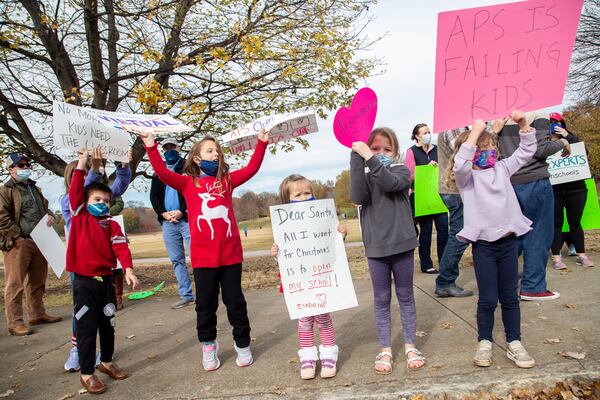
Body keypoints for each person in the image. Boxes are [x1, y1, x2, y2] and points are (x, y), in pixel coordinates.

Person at [136, 127, 269, 371]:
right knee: (205, 305)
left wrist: (261, 144)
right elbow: (163, 173)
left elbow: (251, 169)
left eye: (218, 151)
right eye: (210, 151)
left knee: (235, 302)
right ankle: (208, 345)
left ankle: (242, 344)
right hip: (203, 260)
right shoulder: (187, 183)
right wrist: (151, 146)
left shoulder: (226, 181)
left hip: (230, 257)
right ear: (197, 158)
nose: (216, 154)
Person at [449, 113, 536, 369]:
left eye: (491, 148)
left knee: (510, 297)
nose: (489, 152)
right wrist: (475, 133)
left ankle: (514, 342)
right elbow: (460, 165)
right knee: (487, 299)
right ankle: (484, 342)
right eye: (482, 148)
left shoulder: (502, 169)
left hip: (508, 244)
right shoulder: (467, 179)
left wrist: (522, 125)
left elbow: (526, 151)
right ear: (473, 151)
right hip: (484, 247)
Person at [350, 127, 425, 375]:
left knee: (405, 296)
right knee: (381, 299)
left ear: (396, 152)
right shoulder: (366, 177)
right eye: (374, 149)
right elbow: (357, 196)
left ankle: (410, 345)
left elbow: (391, 183)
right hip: (376, 248)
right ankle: (385, 348)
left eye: (386, 149)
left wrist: (370, 159)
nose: (380, 153)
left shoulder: (401, 170)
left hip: (402, 244)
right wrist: (355, 157)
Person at [67, 148, 139, 394]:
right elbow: (77, 189)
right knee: (87, 328)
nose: (102, 204)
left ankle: (106, 362)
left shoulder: (111, 224)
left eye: (106, 201)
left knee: (108, 325)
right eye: (97, 200)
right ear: (85, 203)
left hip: (105, 282)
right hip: (84, 283)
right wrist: (83, 163)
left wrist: (128, 269)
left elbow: (120, 248)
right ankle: (87, 374)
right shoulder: (79, 216)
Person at [271, 174, 347, 380]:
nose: (304, 197)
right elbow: (286, 259)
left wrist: (341, 235)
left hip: (321, 278)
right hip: (300, 283)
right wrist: (277, 253)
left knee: (323, 318)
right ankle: (308, 358)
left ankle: (329, 354)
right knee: (304, 321)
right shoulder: (283, 225)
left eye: (307, 193)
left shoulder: (323, 218)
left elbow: (333, 246)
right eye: (298, 195)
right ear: (287, 200)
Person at [495, 110, 570, 301]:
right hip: (534, 180)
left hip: (507, 182)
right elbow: (541, 149)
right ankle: (533, 287)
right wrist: (563, 142)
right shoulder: (537, 113)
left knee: (513, 235)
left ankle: (503, 284)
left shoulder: (497, 114)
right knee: (538, 234)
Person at [0, 153, 62, 336]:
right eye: (21, 165)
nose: (26, 168)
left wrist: (50, 215)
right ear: (11, 169)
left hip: (41, 241)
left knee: (37, 281)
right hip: (19, 243)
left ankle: (37, 314)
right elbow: (2, 217)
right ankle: (15, 322)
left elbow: (44, 208)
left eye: (27, 165)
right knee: (15, 284)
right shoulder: (5, 190)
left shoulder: (35, 188)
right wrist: (17, 236)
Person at [149, 138, 194, 309]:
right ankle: (186, 295)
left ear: (179, 148)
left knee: (196, 256)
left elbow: (193, 192)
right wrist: (164, 213)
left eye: (172, 147)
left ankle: (206, 293)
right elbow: (154, 196)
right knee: (177, 260)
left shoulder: (188, 168)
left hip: (186, 219)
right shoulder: (158, 172)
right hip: (168, 222)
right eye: (165, 148)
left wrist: (182, 210)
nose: (169, 151)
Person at [548, 112, 593, 269]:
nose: (554, 125)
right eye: (550, 122)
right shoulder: (544, 142)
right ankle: (556, 257)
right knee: (556, 224)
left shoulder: (572, 138)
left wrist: (568, 136)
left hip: (576, 189)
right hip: (554, 191)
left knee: (575, 222)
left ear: (562, 124)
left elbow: (584, 152)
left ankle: (582, 255)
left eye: (556, 122)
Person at [404, 123, 448, 274]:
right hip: (422, 196)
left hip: (439, 195)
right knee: (426, 231)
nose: (428, 134)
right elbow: (408, 178)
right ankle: (426, 264)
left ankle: (444, 262)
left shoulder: (437, 149)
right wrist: (425, 169)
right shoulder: (411, 152)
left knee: (443, 229)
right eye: (424, 132)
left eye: (429, 132)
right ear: (417, 136)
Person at [435, 127, 474, 297]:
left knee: (464, 233)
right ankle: (445, 281)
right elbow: (463, 153)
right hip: (454, 190)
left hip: (457, 189)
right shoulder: (454, 125)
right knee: (460, 235)